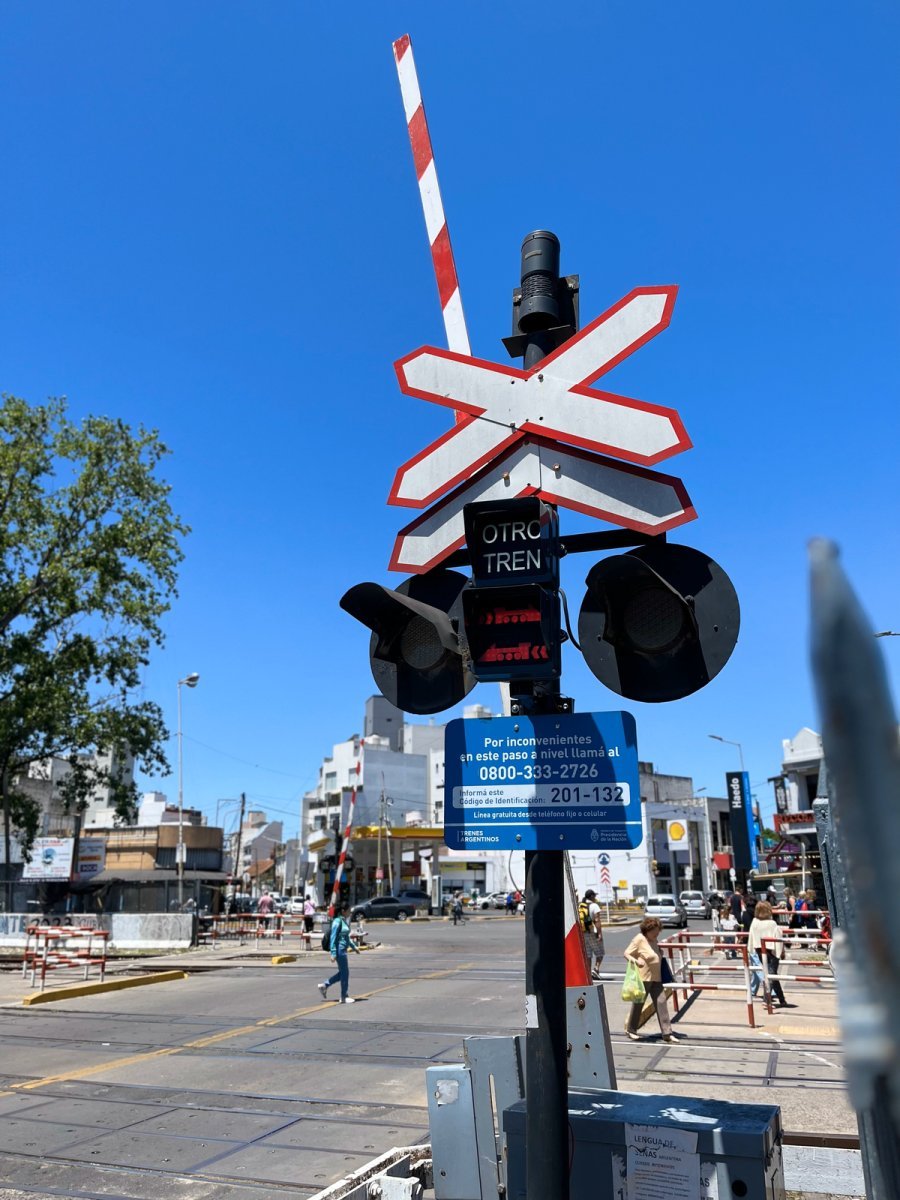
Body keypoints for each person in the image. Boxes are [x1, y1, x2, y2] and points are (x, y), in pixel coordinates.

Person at [623, 917, 680, 1043]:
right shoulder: (639, 939)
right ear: (647, 930)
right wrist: (636, 961)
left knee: (661, 1003)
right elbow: (626, 953)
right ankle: (631, 1030)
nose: (657, 933)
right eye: (654, 931)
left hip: (657, 977)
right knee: (638, 1004)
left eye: (658, 931)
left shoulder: (654, 940)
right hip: (644, 978)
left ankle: (667, 1033)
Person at [748, 900, 792, 1007]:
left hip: (759, 950)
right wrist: (782, 951)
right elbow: (778, 938)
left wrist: (751, 948)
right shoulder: (772, 923)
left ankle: (782, 999)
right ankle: (766, 1000)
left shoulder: (754, 922)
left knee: (772, 975)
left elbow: (751, 937)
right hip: (772, 951)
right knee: (771, 976)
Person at [318, 904, 362, 1003]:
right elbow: (333, 938)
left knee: (343, 973)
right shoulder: (337, 922)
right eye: (349, 910)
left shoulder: (343, 921)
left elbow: (346, 937)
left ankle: (325, 985)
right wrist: (333, 953)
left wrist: (354, 947)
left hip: (342, 949)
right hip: (339, 950)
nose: (350, 912)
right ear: (343, 911)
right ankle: (344, 996)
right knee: (345, 973)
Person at [580, 889, 605, 979]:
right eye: (594, 896)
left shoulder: (581, 905)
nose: (595, 897)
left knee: (588, 954)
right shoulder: (594, 906)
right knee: (600, 952)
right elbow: (597, 920)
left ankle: (588, 973)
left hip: (583, 933)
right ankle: (596, 969)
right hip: (592, 932)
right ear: (591, 896)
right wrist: (599, 933)